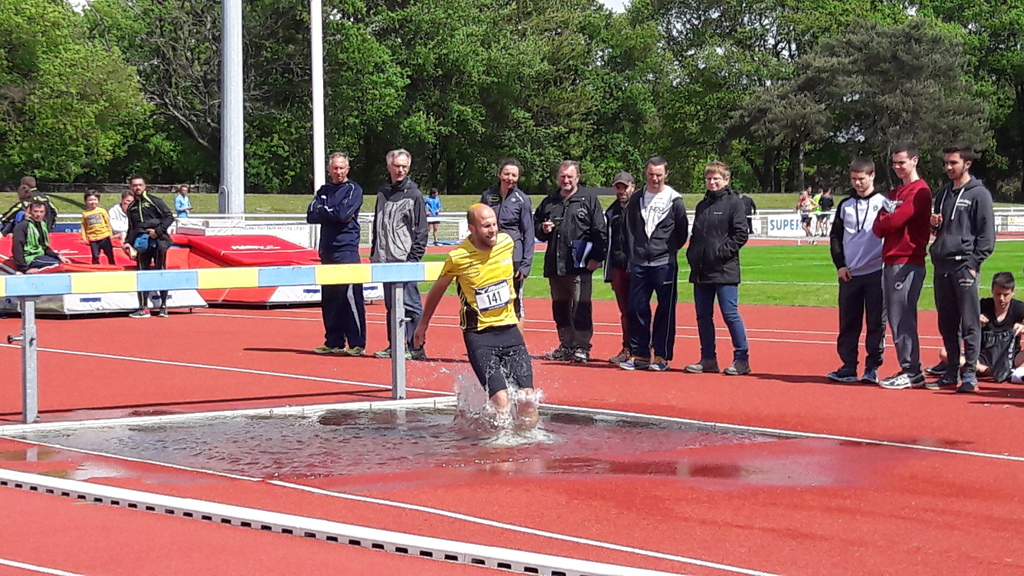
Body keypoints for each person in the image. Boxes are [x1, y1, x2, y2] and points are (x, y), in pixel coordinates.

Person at [413, 204, 539, 430]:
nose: (493, 230)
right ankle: (498, 441)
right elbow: (437, 290)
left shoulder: (506, 243)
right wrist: (423, 325)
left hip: (509, 331)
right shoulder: (458, 257)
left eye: (494, 225)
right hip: (480, 336)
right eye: (486, 226)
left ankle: (530, 439)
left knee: (528, 399)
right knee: (501, 402)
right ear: (471, 228)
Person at [928, 142, 996, 393]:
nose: (948, 167)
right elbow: (940, 230)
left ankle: (969, 375)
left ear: (967, 164)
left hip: (964, 266)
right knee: (947, 323)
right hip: (942, 265)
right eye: (946, 162)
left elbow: (987, 236)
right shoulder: (944, 193)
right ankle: (950, 372)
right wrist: (934, 225)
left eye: (953, 163)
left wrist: (973, 264)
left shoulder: (979, 194)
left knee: (969, 323)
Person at [871, 142, 933, 389]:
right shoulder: (895, 193)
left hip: (907, 260)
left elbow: (894, 221)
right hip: (891, 259)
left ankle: (912, 370)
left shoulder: (920, 191)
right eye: (894, 163)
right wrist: (887, 220)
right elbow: (878, 226)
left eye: (902, 162)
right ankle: (909, 367)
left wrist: (887, 220)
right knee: (895, 316)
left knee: (902, 317)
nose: (897, 167)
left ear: (914, 161)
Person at [533, 160, 607, 363]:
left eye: (570, 177)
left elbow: (600, 230)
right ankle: (566, 345)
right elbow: (536, 225)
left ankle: (582, 346)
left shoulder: (588, 199)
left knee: (581, 307)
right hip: (556, 263)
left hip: (580, 263)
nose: (566, 180)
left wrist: (597, 257)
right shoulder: (550, 201)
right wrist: (542, 229)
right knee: (560, 307)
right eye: (563, 176)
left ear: (578, 178)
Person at [619, 158, 688, 371]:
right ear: (645, 174)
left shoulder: (675, 200)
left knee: (665, 310)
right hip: (640, 262)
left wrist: (667, 250)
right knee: (637, 308)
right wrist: (635, 253)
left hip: (664, 263)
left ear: (666, 174)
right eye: (651, 174)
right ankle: (640, 354)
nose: (654, 179)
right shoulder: (637, 198)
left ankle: (661, 356)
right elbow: (628, 228)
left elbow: (681, 232)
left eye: (658, 175)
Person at [684, 161, 751, 375]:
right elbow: (696, 235)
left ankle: (742, 359)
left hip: (724, 270)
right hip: (701, 271)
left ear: (726, 180)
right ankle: (708, 359)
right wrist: (692, 255)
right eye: (709, 179)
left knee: (730, 314)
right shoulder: (702, 205)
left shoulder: (734, 203)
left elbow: (741, 234)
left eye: (716, 179)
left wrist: (720, 253)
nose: (712, 182)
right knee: (703, 317)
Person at [827, 158, 887, 384]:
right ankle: (848, 366)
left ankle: (872, 368)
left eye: (861, 179)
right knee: (848, 323)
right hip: (850, 274)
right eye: (853, 179)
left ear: (872, 176)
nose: (857, 183)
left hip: (877, 272)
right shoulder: (845, 205)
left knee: (876, 323)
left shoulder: (885, 202)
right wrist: (840, 264)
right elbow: (835, 236)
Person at [370, 148, 428, 360]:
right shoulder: (383, 192)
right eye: (396, 166)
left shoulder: (414, 194)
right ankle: (394, 345)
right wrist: (374, 252)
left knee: (410, 304)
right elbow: (377, 225)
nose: (400, 170)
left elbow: (421, 231)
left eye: (404, 166)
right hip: (384, 260)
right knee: (391, 306)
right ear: (389, 167)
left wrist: (413, 259)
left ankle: (415, 347)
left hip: (404, 260)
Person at [307, 153, 366, 356]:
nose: (338, 172)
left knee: (349, 296)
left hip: (346, 249)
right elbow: (311, 215)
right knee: (330, 298)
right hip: (327, 250)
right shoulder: (323, 191)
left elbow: (343, 215)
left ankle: (357, 343)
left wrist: (325, 211)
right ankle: (334, 342)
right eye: (335, 168)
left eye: (341, 168)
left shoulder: (353, 190)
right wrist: (329, 211)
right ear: (329, 169)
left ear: (347, 169)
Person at [929, 272, 1024, 383]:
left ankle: (1005, 371)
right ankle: (995, 372)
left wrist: (1022, 327)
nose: (1001, 299)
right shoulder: (982, 305)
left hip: (1009, 357)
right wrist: (974, 321)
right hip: (981, 358)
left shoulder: (1019, 308)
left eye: (1006, 294)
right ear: (992, 291)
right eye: (998, 294)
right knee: (944, 353)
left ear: (1013, 292)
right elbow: (960, 325)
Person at [480, 158, 534, 324]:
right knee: (490, 300)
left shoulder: (522, 199)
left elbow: (529, 233)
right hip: (490, 256)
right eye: (507, 174)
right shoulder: (487, 196)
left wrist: (525, 265)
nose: (510, 178)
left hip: (513, 257)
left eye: (514, 175)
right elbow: (479, 224)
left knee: (514, 302)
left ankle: (517, 340)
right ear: (499, 174)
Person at [125, 176, 174, 319]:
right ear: (130, 187)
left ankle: (163, 306)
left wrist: (157, 231)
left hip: (158, 241)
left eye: (140, 185)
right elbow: (131, 227)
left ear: (144, 186)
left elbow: (169, 217)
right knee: (142, 273)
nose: (137, 188)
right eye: (134, 185)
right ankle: (143, 307)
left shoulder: (155, 201)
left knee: (160, 271)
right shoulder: (131, 207)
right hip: (142, 244)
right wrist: (128, 242)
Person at [603, 171, 635, 364]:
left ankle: (642, 349)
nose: (621, 191)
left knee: (638, 310)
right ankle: (627, 348)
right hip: (617, 268)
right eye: (618, 187)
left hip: (637, 267)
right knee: (625, 312)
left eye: (625, 187)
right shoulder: (611, 212)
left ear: (633, 187)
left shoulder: (639, 208)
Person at [11, 200, 71, 273]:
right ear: (30, 211)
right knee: (57, 266)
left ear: (45, 212)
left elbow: (44, 247)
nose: (38, 214)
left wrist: (58, 256)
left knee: (62, 264)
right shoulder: (22, 226)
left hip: (40, 257)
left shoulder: (43, 225)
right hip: (30, 259)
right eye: (35, 211)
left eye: (41, 212)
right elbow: (17, 248)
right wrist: (24, 269)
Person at [80, 190, 116, 265]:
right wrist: (84, 236)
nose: (93, 202)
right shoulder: (85, 213)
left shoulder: (102, 211)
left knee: (109, 253)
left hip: (104, 236)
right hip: (93, 238)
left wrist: (110, 233)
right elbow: (84, 225)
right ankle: (96, 266)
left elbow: (107, 222)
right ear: (86, 201)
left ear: (98, 200)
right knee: (95, 255)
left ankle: (112, 265)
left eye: (94, 199)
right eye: (90, 200)